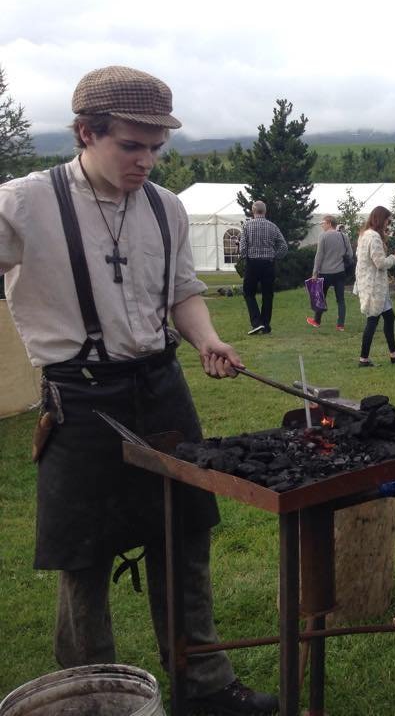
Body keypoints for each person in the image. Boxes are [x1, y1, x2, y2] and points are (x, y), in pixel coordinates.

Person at [0, 65, 277, 715]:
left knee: (184, 534)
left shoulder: (167, 208)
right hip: (80, 397)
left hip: (161, 386)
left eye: (157, 146)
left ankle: (204, 686)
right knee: (83, 558)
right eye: (131, 145)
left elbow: (182, 292)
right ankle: (96, 694)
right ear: (84, 133)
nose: (147, 160)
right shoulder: (23, 203)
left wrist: (206, 337)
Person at [353, 206, 395, 367]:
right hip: (374, 287)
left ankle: (394, 354)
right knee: (372, 320)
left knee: (389, 317)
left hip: (371, 284)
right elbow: (380, 263)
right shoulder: (373, 237)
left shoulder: (365, 235)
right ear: (380, 219)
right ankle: (363, 359)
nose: (388, 224)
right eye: (388, 220)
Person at [239, 199, 287, 335]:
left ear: (253, 211)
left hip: (253, 263)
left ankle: (256, 322)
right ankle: (265, 324)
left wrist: (244, 256)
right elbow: (284, 246)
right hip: (268, 264)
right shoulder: (273, 226)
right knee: (267, 294)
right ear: (265, 211)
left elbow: (243, 248)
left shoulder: (247, 226)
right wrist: (274, 256)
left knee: (249, 293)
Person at [308, 214, 350, 331]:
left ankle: (317, 321)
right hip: (340, 271)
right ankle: (340, 325)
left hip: (325, 272)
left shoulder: (323, 236)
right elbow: (350, 254)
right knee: (340, 299)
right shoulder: (344, 236)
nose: (322, 225)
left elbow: (319, 256)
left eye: (323, 223)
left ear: (330, 223)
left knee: (321, 297)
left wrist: (315, 272)